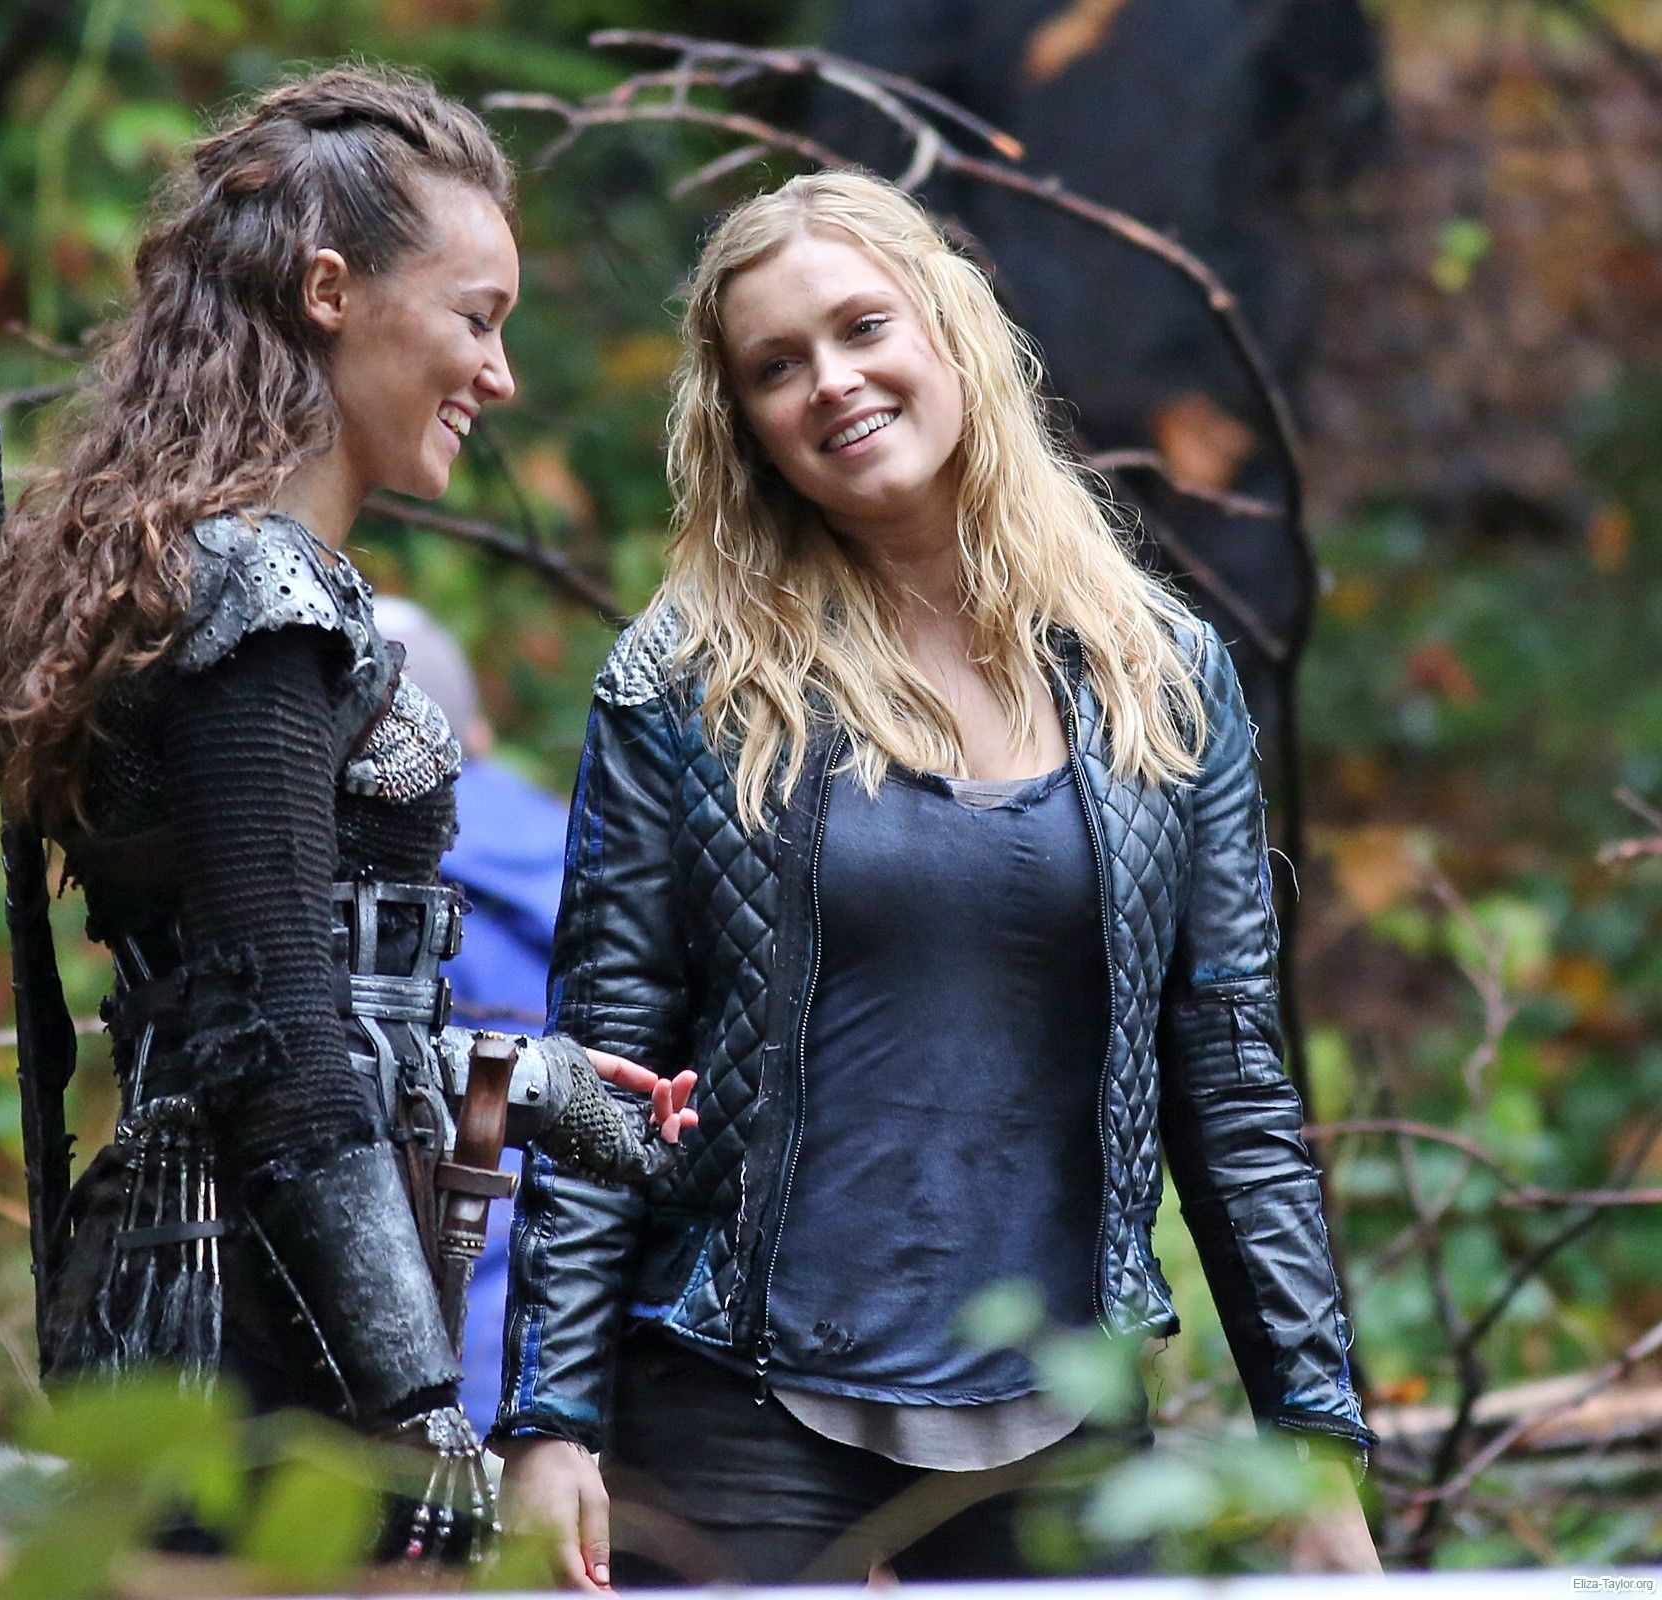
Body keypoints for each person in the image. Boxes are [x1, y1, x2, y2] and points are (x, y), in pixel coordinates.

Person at [493, 171, 1380, 1585]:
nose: (831, 382)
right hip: (735, 1406)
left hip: (1066, 1416)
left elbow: (1231, 1086)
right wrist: (549, 1421)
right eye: (776, 367)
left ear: (950, 331)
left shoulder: (1158, 675)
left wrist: (1311, 1443)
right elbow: (600, 1074)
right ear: (744, 425)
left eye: (863, 327)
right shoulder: (682, 684)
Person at [0, 65, 690, 1563]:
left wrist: (532, 1080)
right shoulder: (256, 595)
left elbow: (303, 1003)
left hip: (246, 1290)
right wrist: (418, 1399)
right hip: (251, 1338)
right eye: (475, 318)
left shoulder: (238, 578)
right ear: (331, 292)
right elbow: (276, 1046)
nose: (499, 374)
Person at [372, 596, 571, 1433]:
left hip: (392, 1306)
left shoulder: (345, 877)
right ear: (479, 732)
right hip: (564, 1312)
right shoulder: (583, 850)